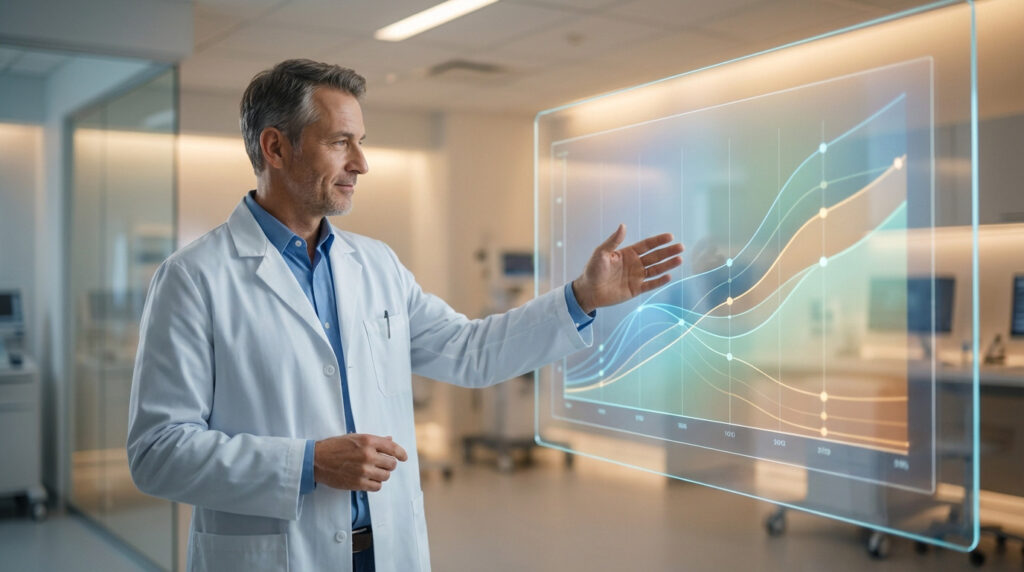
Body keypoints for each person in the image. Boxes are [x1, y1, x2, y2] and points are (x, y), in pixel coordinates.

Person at [126, 59, 683, 572]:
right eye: (341, 142)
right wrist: (305, 463)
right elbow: (157, 452)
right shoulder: (194, 278)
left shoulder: (376, 264)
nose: (361, 163)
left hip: (387, 550)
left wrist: (581, 297)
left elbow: (470, 351)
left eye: (361, 142)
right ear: (276, 147)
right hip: (274, 555)